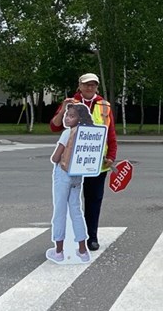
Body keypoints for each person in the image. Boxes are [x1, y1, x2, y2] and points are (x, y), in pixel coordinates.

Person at [50, 73, 117, 251]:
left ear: (97, 87)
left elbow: (111, 134)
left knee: (94, 199)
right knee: (70, 201)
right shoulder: (71, 103)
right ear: (79, 85)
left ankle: (91, 237)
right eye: (86, 85)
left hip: (96, 163)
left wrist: (111, 155)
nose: (89, 88)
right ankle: (68, 239)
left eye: (93, 85)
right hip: (71, 163)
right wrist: (64, 108)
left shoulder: (104, 105)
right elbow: (55, 126)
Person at [47, 103, 93, 264]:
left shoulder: (67, 133)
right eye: (67, 115)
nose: (67, 118)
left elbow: (55, 157)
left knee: (60, 211)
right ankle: (83, 249)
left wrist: (57, 158)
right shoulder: (87, 134)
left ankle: (58, 251)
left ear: (79, 118)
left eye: (71, 115)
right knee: (76, 211)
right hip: (77, 175)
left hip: (63, 174)